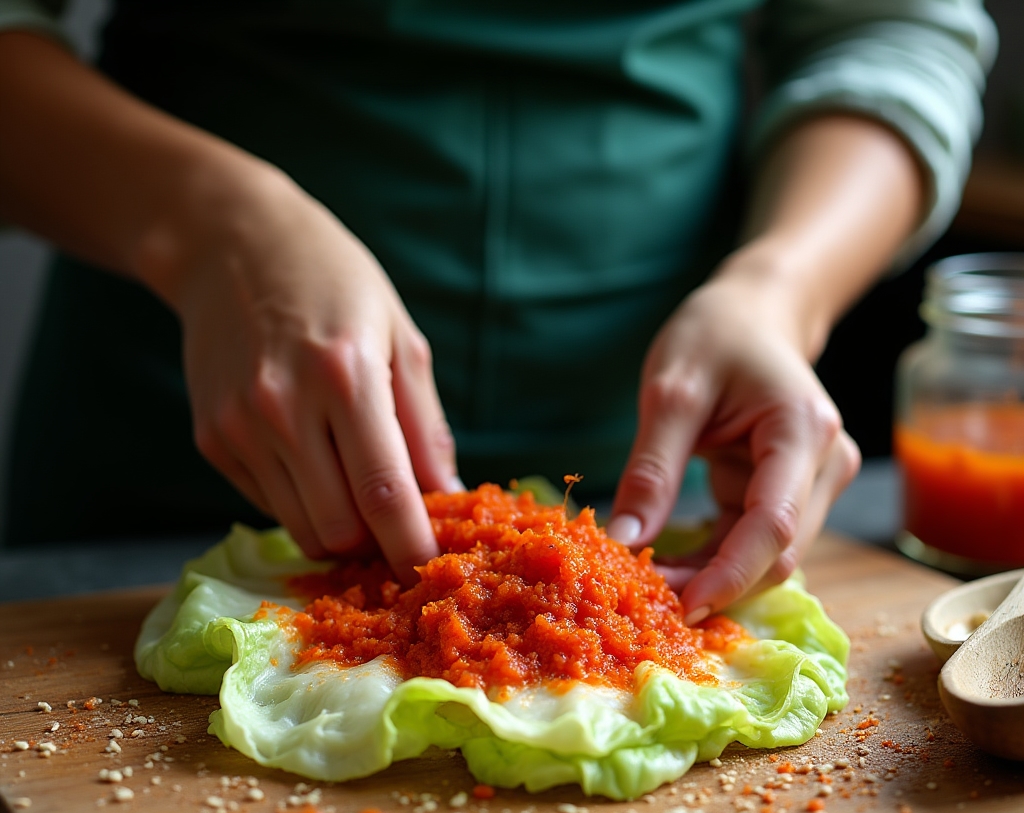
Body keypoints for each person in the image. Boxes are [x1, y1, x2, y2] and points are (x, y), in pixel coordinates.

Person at [0, 1, 995, 622]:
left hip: (645, 471)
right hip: (160, 446)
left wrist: (779, 287)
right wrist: (213, 225)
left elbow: (890, 30)